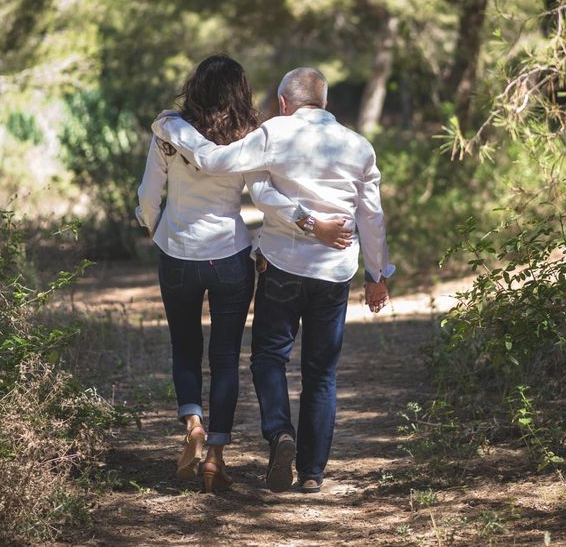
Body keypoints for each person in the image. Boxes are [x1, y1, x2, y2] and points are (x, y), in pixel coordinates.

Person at [152, 67, 394, 493]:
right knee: (321, 373)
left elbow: (237, 177)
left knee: (268, 358)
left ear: (284, 103)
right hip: (335, 271)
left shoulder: (273, 133)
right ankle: (313, 472)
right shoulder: (360, 146)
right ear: (325, 102)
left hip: (282, 266)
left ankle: (280, 433)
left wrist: (169, 124)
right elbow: (371, 216)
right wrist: (377, 275)